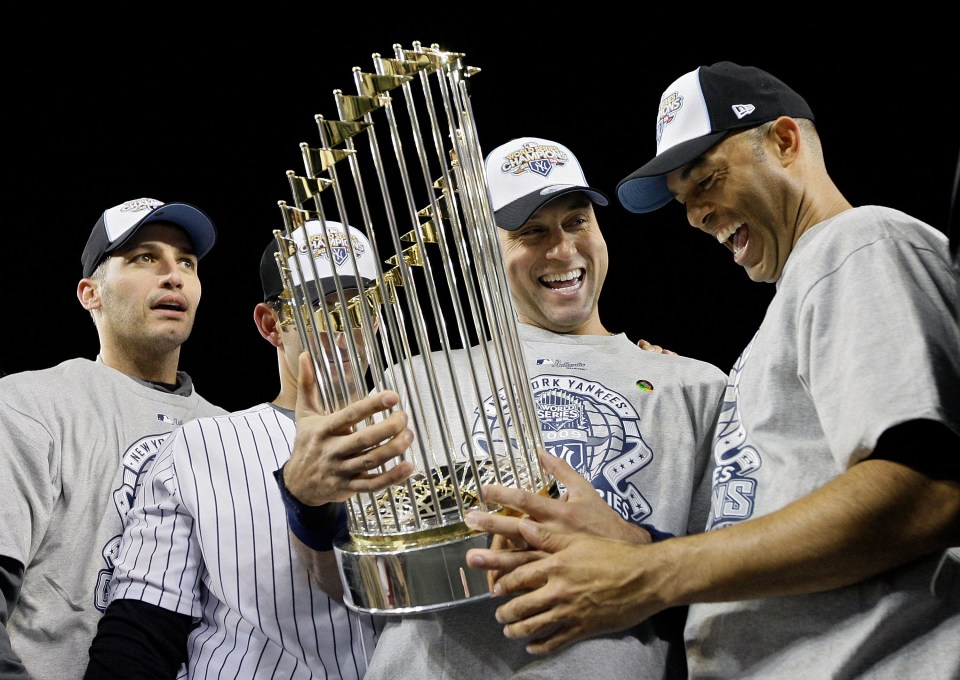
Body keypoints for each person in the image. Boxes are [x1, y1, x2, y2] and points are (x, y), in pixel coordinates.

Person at [465, 62, 960, 679]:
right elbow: (764, 537)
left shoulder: (857, 244)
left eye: (707, 181)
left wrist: (646, 573)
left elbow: (927, 492)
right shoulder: (793, 305)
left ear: (784, 141)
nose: (696, 215)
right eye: (682, 199)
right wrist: (639, 544)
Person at [360, 136, 728, 679]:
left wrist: (628, 547)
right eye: (531, 232)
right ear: (483, 251)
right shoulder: (411, 383)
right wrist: (308, 502)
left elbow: (737, 587)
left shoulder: (695, 387)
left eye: (577, 222)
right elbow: (356, 584)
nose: (561, 250)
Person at [84, 222, 415, 679]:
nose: (342, 330)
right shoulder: (200, 445)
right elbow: (143, 629)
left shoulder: (423, 435)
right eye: (319, 309)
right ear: (270, 324)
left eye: (359, 308)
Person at [0, 197, 226, 680]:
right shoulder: (30, 403)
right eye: (145, 257)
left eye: (186, 261)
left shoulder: (227, 432)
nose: (174, 275)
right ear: (90, 293)